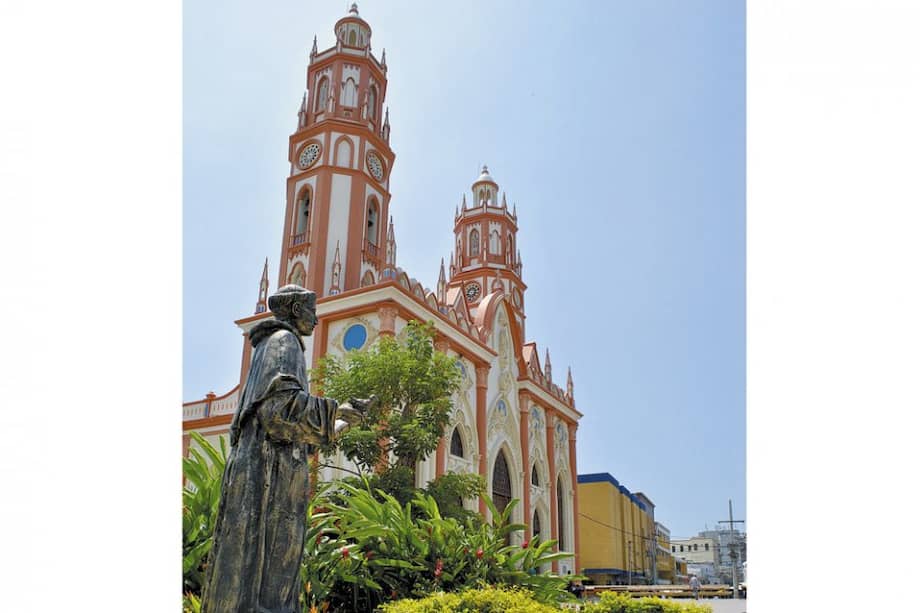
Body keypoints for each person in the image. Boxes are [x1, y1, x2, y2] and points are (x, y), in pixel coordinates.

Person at [201, 285, 367, 613]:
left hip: (267, 467)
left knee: (255, 563)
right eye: (311, 310)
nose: (317, 319)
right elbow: (279, 410)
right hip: (268, 473)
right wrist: (337, 409)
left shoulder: (270, 346)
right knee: (269, 564)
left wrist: (343, 420)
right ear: (294, 311)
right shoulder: (284, 342)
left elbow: (290, 423)